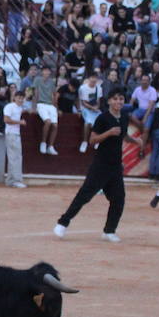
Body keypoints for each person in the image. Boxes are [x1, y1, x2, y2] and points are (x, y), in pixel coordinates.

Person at [54, 89, 127, 243]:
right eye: (115, 98)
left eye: (121, 99)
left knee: (119, 199)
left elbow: (122, 135)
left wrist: (136, 141)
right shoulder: (103, 118)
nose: (118, 102)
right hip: (101, 165)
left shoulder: (124, 117)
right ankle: (63, 222)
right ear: (109, 101)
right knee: (84, 195)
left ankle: (109, 231)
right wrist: (109, 133)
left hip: (115, 166)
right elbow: (92, 140)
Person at [3, 87, 27, 189]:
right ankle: (16, 180)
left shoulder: (19, 108)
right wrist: (20, 122)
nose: (20, 100)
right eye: (19, 98)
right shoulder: (10, 107)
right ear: (14, 98)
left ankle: (10, 180)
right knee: (15, 157)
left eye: (22, 98)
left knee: (14, 157)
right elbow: (6, 120)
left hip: (14, 134)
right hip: (12, 134)